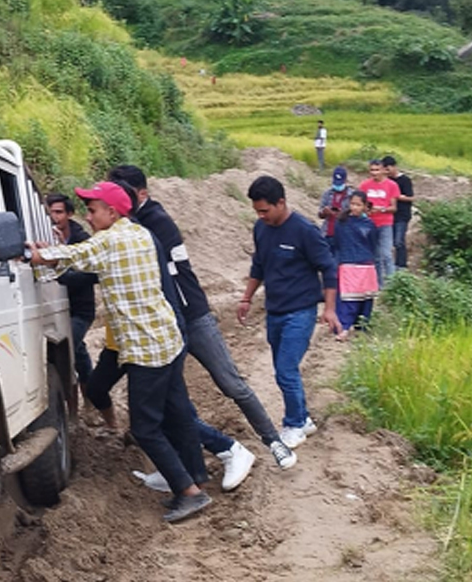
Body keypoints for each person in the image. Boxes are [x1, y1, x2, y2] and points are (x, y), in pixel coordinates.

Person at [30, 181, 210, 523]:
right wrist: (52, 254)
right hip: (166, 339)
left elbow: (74, 256)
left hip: (145, 349)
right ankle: (195, 478)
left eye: (93, 209)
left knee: (145, 428)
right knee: (178, 413)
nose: (88, 215)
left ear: (112, 212)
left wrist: (35, 255)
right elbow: (77, 258)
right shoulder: (138, 234)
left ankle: (190, 493)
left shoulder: (110, 240)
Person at [108, 165, 296, 484]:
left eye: (120, 195)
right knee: (171, 402)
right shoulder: (129, 226)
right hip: (164, 324)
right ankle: (190, 469)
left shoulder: (153, 222)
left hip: (190, 316)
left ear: (140, 195)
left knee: (229, 383)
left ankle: (272, 442)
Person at [238, 175, 341, 450]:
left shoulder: (304, 231)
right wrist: (246, 298)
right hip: (275, 311)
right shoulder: (261, 229)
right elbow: (258, 265)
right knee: (284, 369)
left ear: (281, 202)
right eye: (257, 211)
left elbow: (329, 269)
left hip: (301, 311)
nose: (261, 216)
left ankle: (294, 424)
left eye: (265, 210)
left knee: (285, 370)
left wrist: (329, 309)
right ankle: (303, 418)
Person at [46, 194, 98, 390]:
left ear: (69, 214)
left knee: (69, 350)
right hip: (53, 307)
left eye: (59, 212)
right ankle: (88, 395)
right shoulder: (44, 236)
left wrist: (62, 256)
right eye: (50, 212)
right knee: (77, 350)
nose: (54, 217)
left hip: (79, 309)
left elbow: (93, 274)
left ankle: (82, 396)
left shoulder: (83, 241)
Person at [333, 192, 378, 338]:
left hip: (365, 264)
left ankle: (362, 327)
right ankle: (344, 327)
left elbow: (373, 244)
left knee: (365, 298)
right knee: (348, 298)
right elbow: (338, 242)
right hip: (348, 264)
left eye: (358, 205)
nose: (355, 207)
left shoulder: (370, 225)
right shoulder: (341, 222)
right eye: (352, 204)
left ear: (365, 206)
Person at [357, 159, 401, 287]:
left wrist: (381, 209)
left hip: (385, 223)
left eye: (377, 170)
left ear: (383, 170)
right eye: (372, 170)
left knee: (386, 254)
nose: (374, 173)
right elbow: (359, 204)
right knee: (375, 256)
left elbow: (394, 208)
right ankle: (378, 285)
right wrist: (366, 210)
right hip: (369, 224)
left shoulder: (392, 185)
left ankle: (393, 285)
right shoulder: (365, 185)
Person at [381, 155, 415, 270]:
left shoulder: (404, 180)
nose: (387, 172)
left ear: (394, 167)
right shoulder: (387, 180)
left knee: (398, 241)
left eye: (388, 169)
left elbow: (411, 197)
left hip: (402, 215)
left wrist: (397, 196)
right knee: (389, 242)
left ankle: (401, 265)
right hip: (389, 215)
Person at [318, 165, 353, 253]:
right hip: (327, 233)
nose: (337, 185)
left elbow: (354, 215)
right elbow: (320, 214)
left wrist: (342, 214)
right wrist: (325, 212)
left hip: (343, 234)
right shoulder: (327, 194)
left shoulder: (351, 196)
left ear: (345, 180)